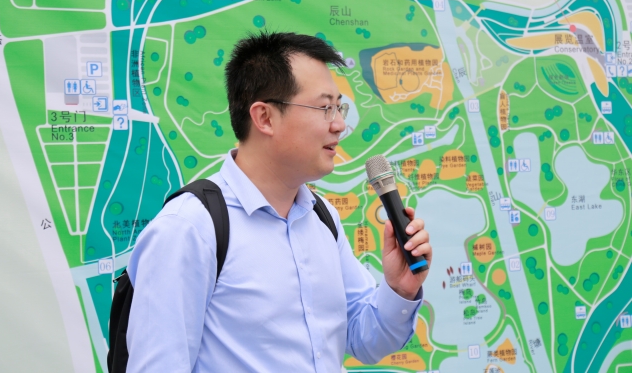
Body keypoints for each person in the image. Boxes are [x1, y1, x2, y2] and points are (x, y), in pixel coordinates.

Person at [125, 31, 432, 372]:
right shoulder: (190, 228)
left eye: (339, 107)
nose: (340, 125)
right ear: (265, 117)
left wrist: (399, 289)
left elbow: (365, 340)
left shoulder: (321, 217)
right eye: (325, 108)